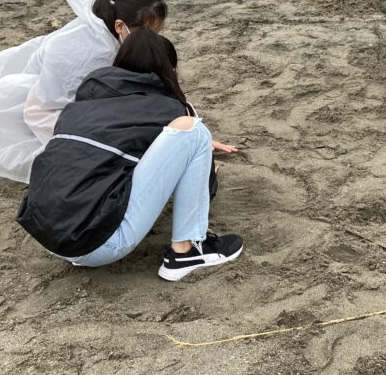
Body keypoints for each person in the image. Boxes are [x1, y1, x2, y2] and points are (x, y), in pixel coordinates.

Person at [17, 29, 243, 281]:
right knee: (194, 131)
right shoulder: (166, 108)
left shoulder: (81, 103)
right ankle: (187, 252)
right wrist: (205, 171)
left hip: (47, 234)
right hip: (97, 244)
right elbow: (190, 159)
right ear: (169, 69)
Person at [0, 0, 168, 182]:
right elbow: (54, 99)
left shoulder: (113, 35)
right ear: (119, 25)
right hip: (45, 103)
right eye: (148, 33)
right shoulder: (85, 49)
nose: (153, 40)